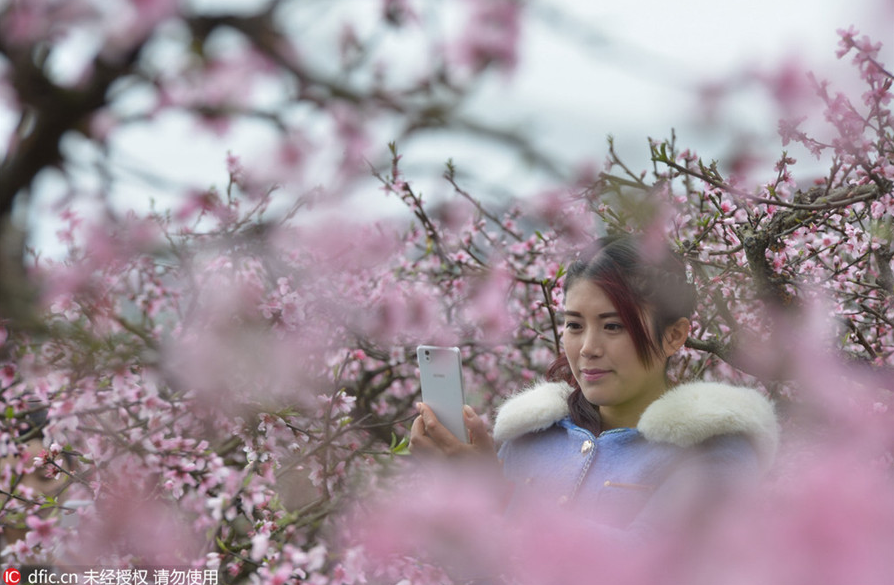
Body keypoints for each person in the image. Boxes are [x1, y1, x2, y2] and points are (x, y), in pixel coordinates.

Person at [410, 234, 779, 543]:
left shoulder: (714, 451)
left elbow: (650, 565)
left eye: (613, 326)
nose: (588, 348)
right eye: (574, 325)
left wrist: (500, 494)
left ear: (674, 335)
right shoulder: (530, 436)